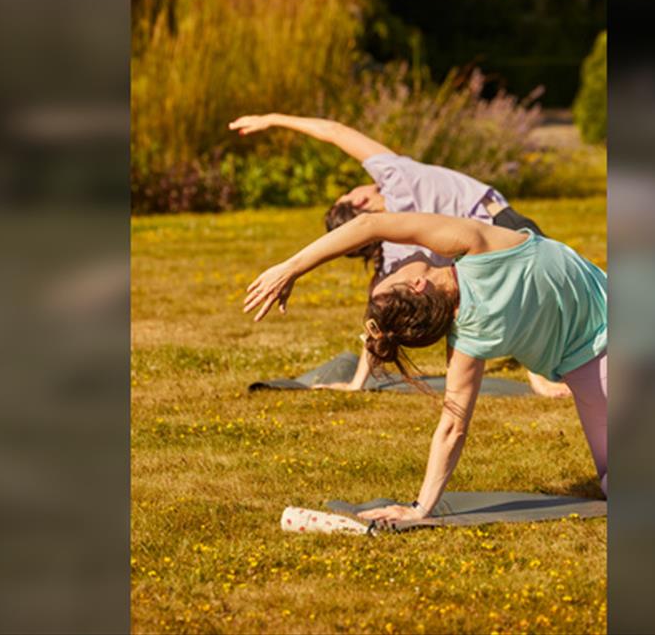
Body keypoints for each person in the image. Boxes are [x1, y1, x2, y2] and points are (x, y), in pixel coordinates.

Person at [243, 211, 608, 523]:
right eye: (393, 274)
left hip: (590, 361)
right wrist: (291, 268)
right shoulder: (478, 246)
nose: (397, 264)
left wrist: (421, 507)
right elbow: (371, 224)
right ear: (417, 284)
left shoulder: (468, 338)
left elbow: (452, 426)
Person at [228, 113, 568, 396]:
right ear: (358, 202)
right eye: (350, 192)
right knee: (551, 299)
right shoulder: (395, 177)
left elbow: (378, 309)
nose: (356, 188)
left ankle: (541, 370)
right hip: (504, 230)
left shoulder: (395, 249)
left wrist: (357, 382)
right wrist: (272, 119)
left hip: (491, 245)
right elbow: (334, 131)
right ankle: (541, 375)